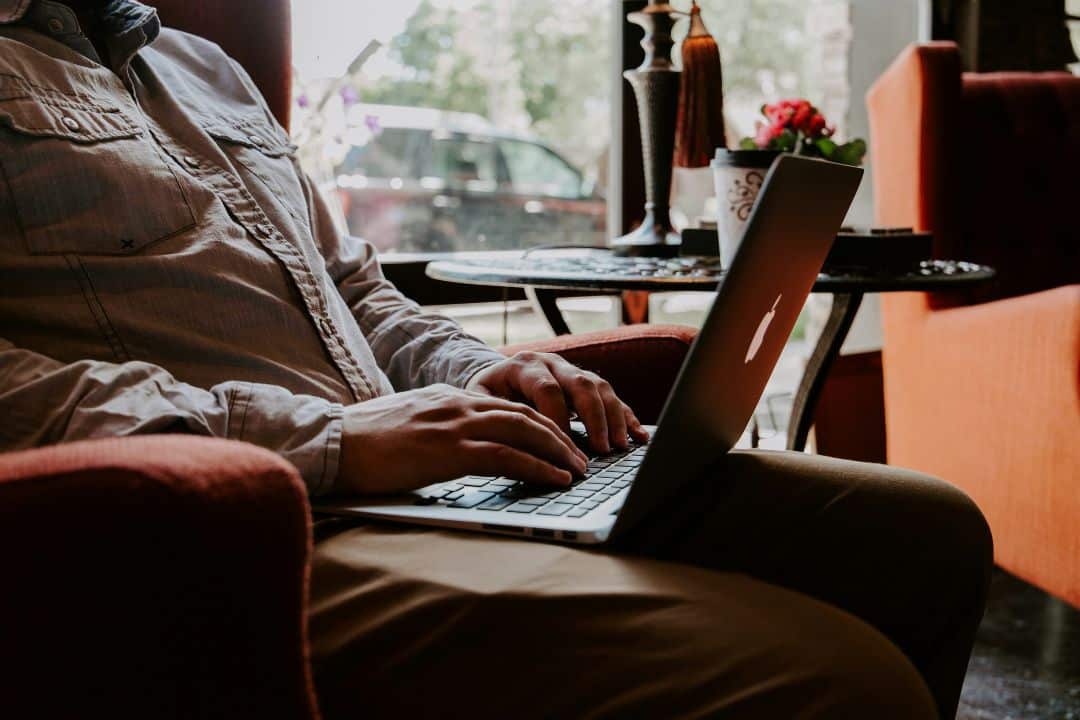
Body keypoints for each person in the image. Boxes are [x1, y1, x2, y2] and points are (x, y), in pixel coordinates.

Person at [0, 2, 992, 717]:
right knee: (845, 682)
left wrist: (477, 370)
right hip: (256, 532)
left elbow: (355, 290)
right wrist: (337, 440)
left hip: (431, 487)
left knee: (926, 534)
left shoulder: (203, 68)